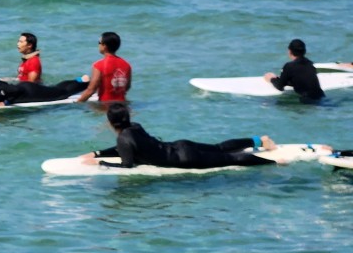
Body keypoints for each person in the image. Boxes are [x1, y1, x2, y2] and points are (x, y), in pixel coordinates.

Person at [80, 103, 325, 170]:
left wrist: (100, 163)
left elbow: (128, 163)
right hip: (181, 145)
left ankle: (273, 162)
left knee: (230, 159)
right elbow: (122, 147)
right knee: (220, 148)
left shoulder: (124, 139)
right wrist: (97, 152)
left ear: (111, 122)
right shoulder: (135, 128)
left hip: (185, 161)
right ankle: (259, 141)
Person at [263, 39, 325, 103]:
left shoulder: (289, 66)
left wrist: (271, 79)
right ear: (304, 51)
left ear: (289, 51)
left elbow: (280, 87)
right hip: (321, 96)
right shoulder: (310, 64)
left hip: (308, 101)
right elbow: (301, 79)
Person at [75, 31, 131, 103]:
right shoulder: (126, 65)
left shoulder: (99, 65)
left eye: (99, 43)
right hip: (122, 104)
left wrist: (78, 102)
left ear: (104, 46)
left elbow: (91, 90)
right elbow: (127, 87)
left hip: (105, 106)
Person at [0, 71, 83, 105]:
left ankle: (86, 83)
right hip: (26, 87)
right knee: (55, 88)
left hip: (30, 92)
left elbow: (16, 91)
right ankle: (79, 80)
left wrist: (5, 103)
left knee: (61, 93)